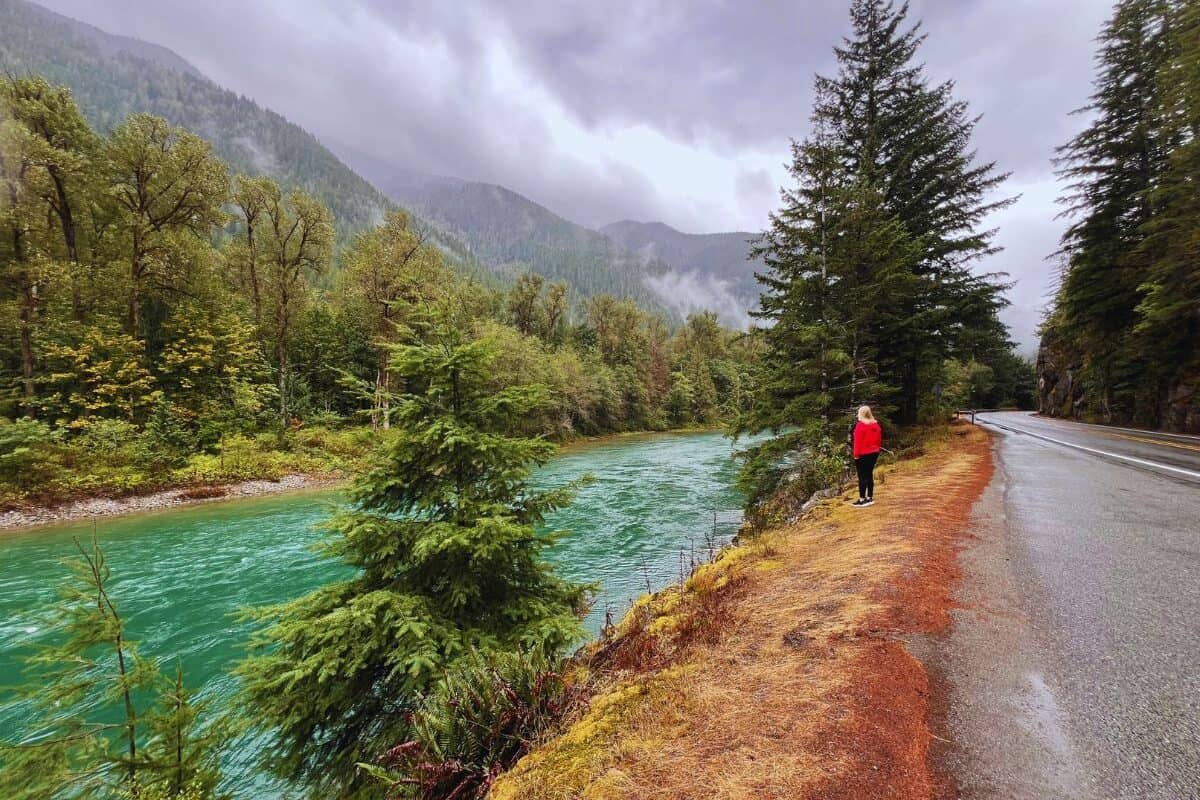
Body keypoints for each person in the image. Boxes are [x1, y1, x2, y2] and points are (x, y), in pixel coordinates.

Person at [849, 405, 882, 507]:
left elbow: (857, 442)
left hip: (863, 454)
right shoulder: (876, 425)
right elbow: (879, 439)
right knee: (869, 474)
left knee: (862, 476)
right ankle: (870, 497)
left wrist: (856, 455)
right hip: (874, 453)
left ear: (860, 413)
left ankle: (862, 499)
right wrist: (877, 449)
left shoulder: (860, 425)